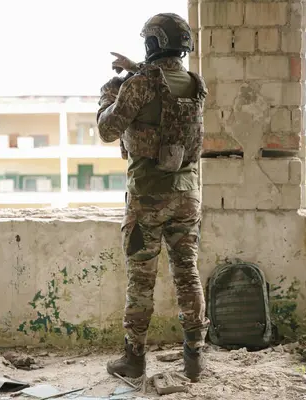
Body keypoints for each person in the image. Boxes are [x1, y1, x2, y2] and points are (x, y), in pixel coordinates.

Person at [96, 13, 209, 382]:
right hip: (187, 195)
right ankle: (194, 359)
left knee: (141, 281)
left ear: (152, 44)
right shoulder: (195, 83)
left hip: (147, 198)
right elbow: (161, 84)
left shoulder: (138, 86)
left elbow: (107, 130)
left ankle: (134, 359)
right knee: (187, 274)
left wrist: (108, 94)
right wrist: (135, 69)